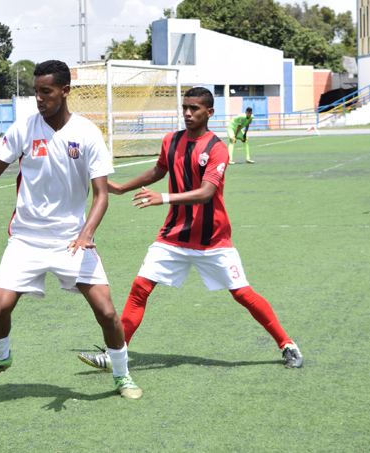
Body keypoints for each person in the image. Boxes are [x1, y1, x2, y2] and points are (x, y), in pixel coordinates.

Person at [0, 60, 142, 399]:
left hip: (73, 240)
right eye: (36, 92)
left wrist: (86, 233)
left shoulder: (88, 133)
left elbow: (101, 195)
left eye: (46, 91)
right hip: (26, 238)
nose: (39, 98)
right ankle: (0, 359)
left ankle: (122, 376)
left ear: (65, 91)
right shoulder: (23, 128)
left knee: (107, 312)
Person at [77, 87, 303, 372]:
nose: (187, 113)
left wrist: (164, 198)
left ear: (209, 112)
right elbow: (160, 170)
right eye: (184, 107)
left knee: (243, 294)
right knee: (140, 288)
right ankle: (115, 354)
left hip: (213, 240)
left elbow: (207, 193)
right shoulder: (171, 140)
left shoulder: (217, 149)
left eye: (194, 108)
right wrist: (121, 188)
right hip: (174, 236)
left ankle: (287, 344)